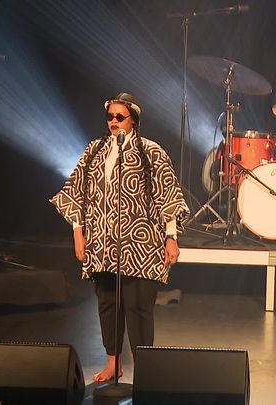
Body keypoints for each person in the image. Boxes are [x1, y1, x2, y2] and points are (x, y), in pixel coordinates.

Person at [50, 92, 189, 382]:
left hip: (141, 245)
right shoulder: (95, 150)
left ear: (134, 121)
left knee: (139, 309)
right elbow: (76, 191)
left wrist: (171, 236)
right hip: (102, 244)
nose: (113, 121)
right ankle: (114, 363)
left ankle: (146, 372)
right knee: (108, 305)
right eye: (110, 116)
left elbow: (168, 194)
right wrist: (78, 231)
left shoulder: (151, 151)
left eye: (119, 117)